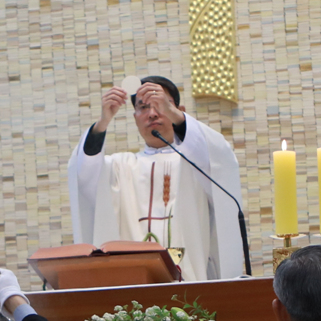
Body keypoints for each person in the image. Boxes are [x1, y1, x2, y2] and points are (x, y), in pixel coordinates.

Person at [67, 75, 249, 282]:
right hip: (134, 285)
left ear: (179, 111)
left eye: (161, 104)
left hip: (192, 284)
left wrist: (173, 114)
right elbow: (84, 176)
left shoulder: (196, 163)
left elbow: (220, 161)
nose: (152, 113)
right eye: (143, 107)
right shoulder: (119, 168)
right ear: (135, 117)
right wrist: (102, 123)